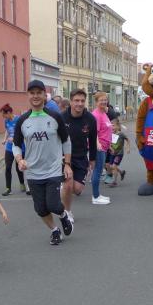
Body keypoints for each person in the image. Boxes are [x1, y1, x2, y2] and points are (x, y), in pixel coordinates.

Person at [13, 80, 74, 245]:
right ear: (28, 95)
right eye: (32, 93)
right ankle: (55, 231)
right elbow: (16, 145)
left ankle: (63, 215)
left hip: (53, 169)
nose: (35, 96)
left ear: (44, 95)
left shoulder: (55, 116)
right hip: (33, 171)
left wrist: (67, 164)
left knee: (53, 204)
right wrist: (19, 159)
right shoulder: (22, 120)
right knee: (40, 208)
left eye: (39, 93)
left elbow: (66, 140)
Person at [60, 88, 97, 223]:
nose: (79, 104)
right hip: (64, 158)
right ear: (70, 102)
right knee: (68, 185)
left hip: (81, 157)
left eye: (82, 101)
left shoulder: (90, 119)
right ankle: (67, 212)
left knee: (77, 189)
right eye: (76, 101)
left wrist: (92, 159)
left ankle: (63, 190)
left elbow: (92, 140)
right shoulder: (61, 118)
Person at [90, 91, 113, 204]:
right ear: (96, 102)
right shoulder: (96, 115)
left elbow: (106, 130)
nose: (104, 102)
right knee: (98, 171)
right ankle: (96, 197)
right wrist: (97, 144)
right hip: (99, 148)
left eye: (105, 100)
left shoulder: (103, 113)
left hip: (104, 146)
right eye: (101, 100)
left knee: (98, 171)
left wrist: (109, 145)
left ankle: (97, 195)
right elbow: (94, 132)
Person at [0, 104, 26, 196]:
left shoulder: (19, 119)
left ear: (9, 112)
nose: (3, 117)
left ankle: (22, 183)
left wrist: (14, 138)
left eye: (4, 115)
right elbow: (7, 130)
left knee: (19, 167)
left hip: (19, 146)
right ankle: (8, 188)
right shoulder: (6, 121)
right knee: (8, 167)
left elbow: (23, 133)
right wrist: (4, 139)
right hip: (9, 147)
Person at [106, 120, 130, 186]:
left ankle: (114, 182)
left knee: (114, 166)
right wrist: (110, 148)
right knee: (111, 166)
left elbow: (127, 139)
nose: (112, 127)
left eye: (113, 125)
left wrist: (128, 147)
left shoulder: (121, 134)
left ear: (118, 126)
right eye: (111, 126)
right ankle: (121, 172)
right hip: (112, 153)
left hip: (119, 153)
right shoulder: (111, 133)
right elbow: (109, 142)